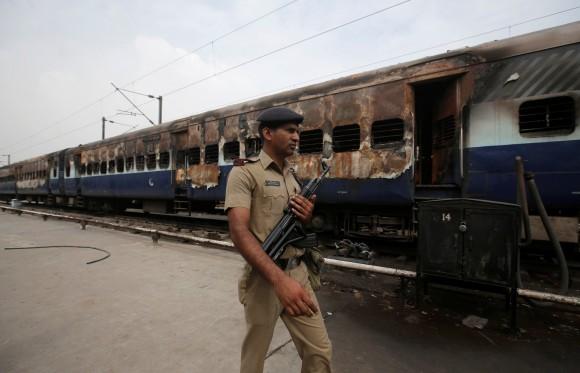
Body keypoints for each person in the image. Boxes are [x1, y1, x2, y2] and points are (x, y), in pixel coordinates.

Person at [225, 107, 332, 373]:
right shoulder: (244, 173)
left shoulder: (293, 178)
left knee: (319, 351)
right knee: (254, 359)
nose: (296, 137)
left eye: (298, 132)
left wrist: (307, 218)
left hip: (298, 273)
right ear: (268, 133)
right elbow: (239, 232)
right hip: (264, 279)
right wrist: (279, 280)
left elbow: (300, 227)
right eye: (290, 130)